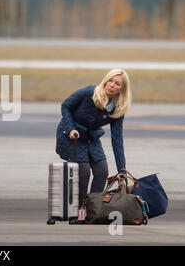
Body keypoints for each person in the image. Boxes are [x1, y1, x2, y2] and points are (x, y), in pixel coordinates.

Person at [55, 68, 131, 207]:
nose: (112, 85)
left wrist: (122, 169)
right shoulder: (89, 92)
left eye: (117, 83)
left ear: (122, 89)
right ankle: (79, 211)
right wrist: (71, 128)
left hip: (91, 138)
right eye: (110, 80)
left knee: (102, 171)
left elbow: (117, 139)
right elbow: (66, 106)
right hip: (72, 136)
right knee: (83, 171)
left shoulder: (118, 108)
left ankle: (91, 209)